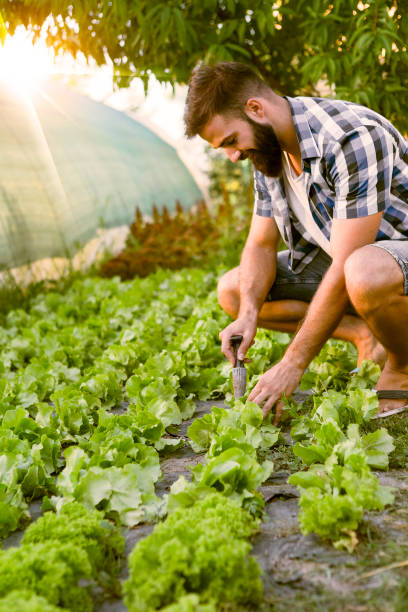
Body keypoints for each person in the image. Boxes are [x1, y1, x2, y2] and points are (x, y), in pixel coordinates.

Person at [184, 61, 408, 423]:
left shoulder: (350, 137)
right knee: (234, 289)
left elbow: (347, 261)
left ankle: (403, 365)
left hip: (394, 259)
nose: (234, 155)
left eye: (230, 140)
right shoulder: (269, 154)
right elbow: (260, 243)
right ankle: (365, 333)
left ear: (255, 109)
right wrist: (248, 313)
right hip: (355, 264)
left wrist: (293, 363)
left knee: (363, 270)